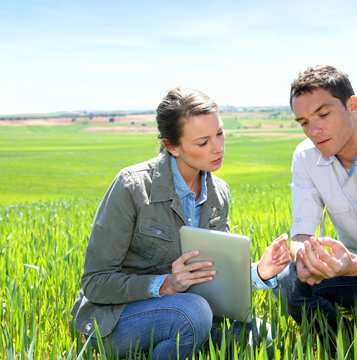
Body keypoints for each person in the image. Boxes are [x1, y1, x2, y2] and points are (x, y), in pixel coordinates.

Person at [71, 87, 290, 359]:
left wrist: (260, 272)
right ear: (172, 146)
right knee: (192, 313)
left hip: (189, 309)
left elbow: (213, 276)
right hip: (117, 319)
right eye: (203, 142)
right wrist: (165, 285)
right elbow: (95, 283)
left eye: (220, 133)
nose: (219, 148)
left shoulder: (219, 192)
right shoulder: (131, 186)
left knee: (262, 336)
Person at [273, 65, 357, 337]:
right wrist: (305, 260)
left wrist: (349, 265)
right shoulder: (306, 156)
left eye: (323, 114)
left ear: (352, 105)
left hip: (352, 266)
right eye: (304, 122)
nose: (314, 130)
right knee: (289, 281)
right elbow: (302, 229)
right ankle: (343, 346)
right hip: (351, 270)